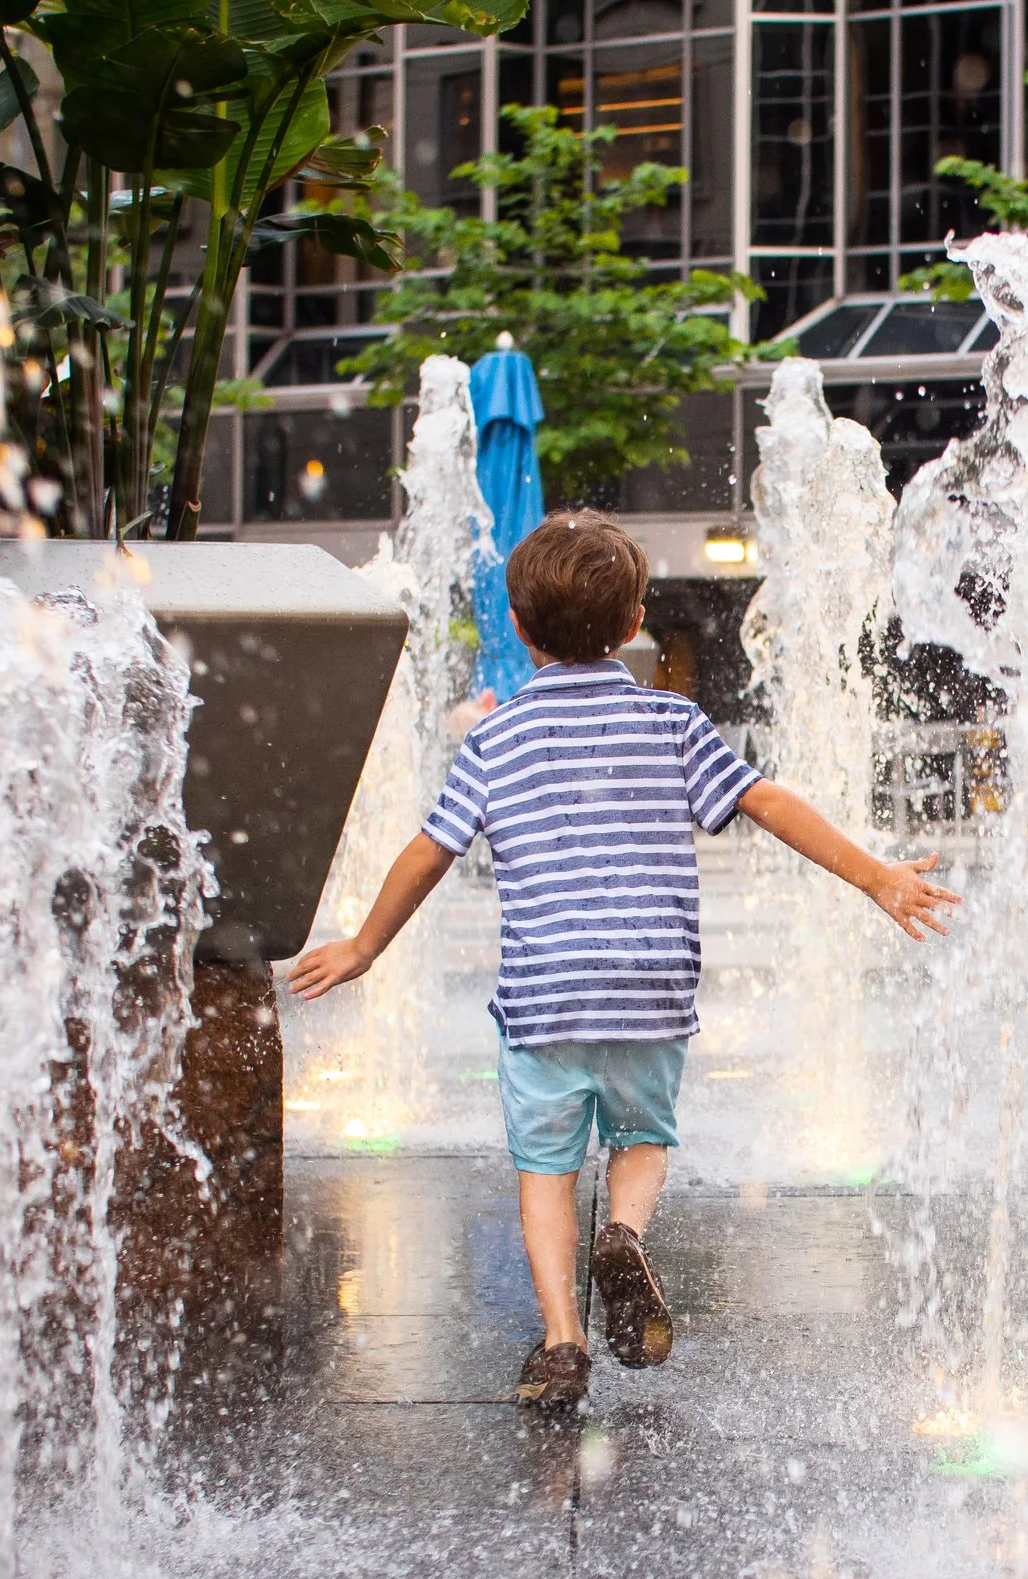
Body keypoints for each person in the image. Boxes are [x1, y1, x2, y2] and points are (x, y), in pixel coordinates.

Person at [287, 511, 959, 1411]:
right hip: (648, 987)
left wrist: (366, 945)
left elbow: (427, 850)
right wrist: (875, 875)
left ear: (518, 629)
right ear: (636, 618)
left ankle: (562, 1339)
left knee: (545, 1171)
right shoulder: (672, 720)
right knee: (641, 1142)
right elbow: (767, 802)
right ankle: (628, 1233)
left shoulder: (492, 741)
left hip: (545, 998)